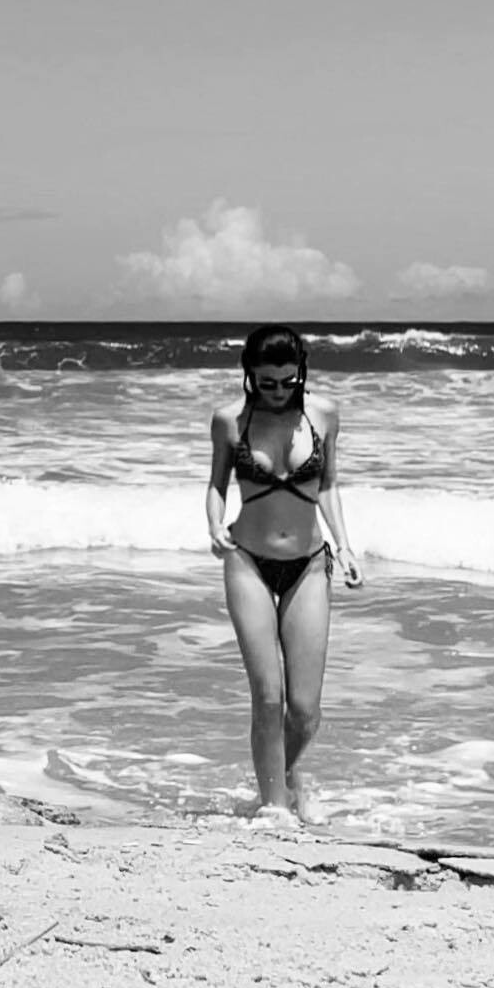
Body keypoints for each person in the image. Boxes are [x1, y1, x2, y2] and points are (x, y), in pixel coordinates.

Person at [206, 324, 362, 821]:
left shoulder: (324, 415)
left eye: (288, 381)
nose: (278, 391)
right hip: (247, 560)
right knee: (268, 699)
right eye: (266, 382)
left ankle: (278, 778)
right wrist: (214, 525)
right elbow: (216, 485)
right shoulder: (230, 420)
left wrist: (345, 545)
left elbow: (328, 485)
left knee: (305, 712)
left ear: (301, 374)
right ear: (250, 375)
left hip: (309, 564)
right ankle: (274, 811)